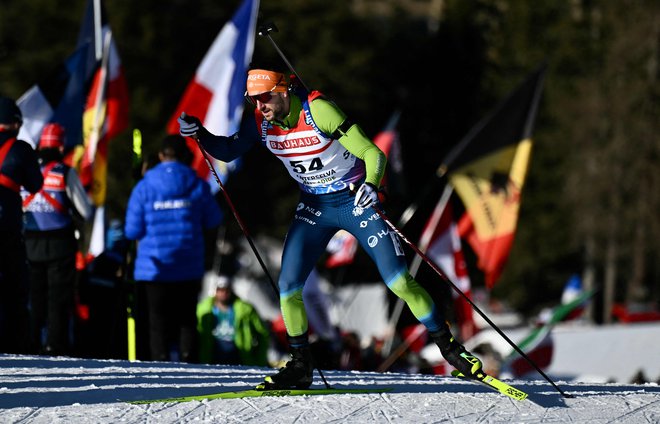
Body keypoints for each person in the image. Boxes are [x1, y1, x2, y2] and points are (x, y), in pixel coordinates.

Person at [178, 68, 483, 389]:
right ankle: (300, 365)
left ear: (283, 91)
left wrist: (371, 184)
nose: (259, 106)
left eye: (264, 97)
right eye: (252, 100)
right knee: (288, 286)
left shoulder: (318, 110)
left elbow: (371, 152)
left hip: (355, 202)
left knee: (399, 282)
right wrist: (200, 133)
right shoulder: (261, 123)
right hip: (314, 207)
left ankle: (452, 351)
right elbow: (228, 150)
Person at [124, 134, 222, 363]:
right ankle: (189, 362)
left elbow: (132, 231)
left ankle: (160, 363)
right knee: (187, 320)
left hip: (153, 267)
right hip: (188, 265)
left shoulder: (144, 186)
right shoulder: (197, 183)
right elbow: (213, 219)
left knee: (157, 321)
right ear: (185, 156)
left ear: (161, 156)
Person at [22, 123, 94, 355]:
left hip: (30, 243)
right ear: (61, 147)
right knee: (58, 297)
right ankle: (55, 344)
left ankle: (31, 341)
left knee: (34, 296)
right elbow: (86, 211)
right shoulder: (64, 172)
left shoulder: (27, 169)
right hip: (60, 245)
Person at [0, 96, 43, 354]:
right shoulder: (21, 149)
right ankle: (15, 344)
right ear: (16, 124)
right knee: (14, 287)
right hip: (7, 227)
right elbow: (35, 184)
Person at [196, 274, 270, 366]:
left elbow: (263, 333)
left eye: (227, 290)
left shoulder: (246, 309)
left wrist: (259, 360)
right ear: (214, 291)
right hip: (213, 358)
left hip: (240, 358)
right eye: (220, 290)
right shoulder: (203, 309)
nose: (223, 293)